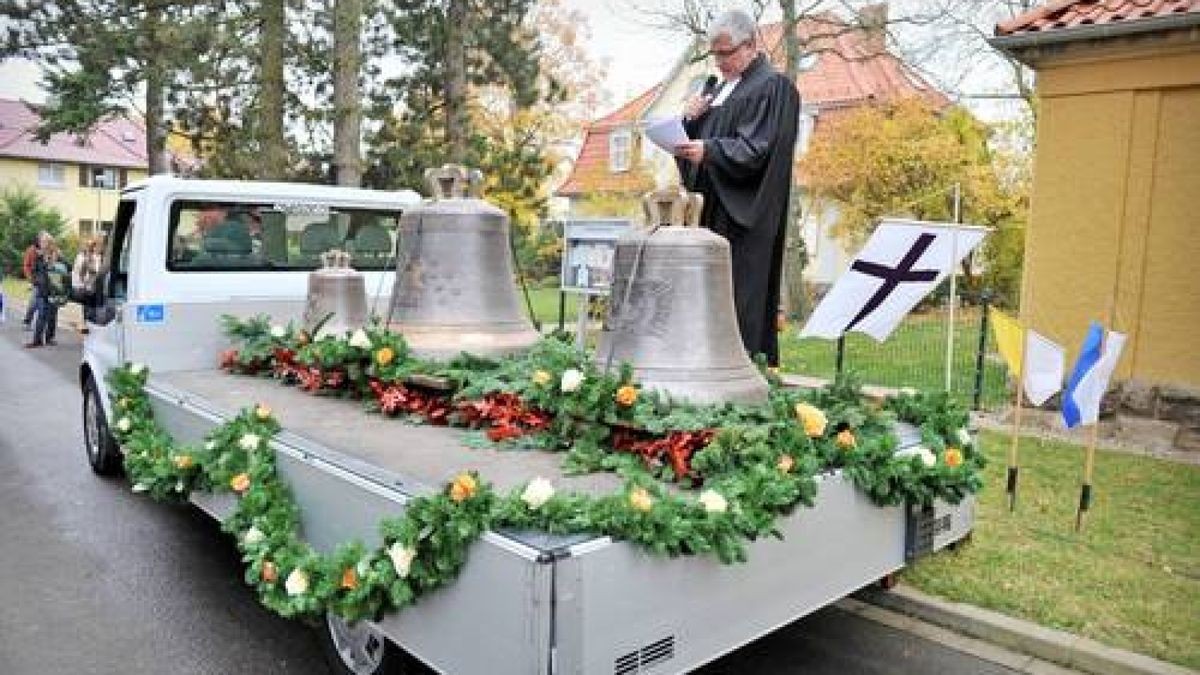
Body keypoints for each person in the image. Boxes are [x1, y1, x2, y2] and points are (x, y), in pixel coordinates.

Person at [674, 9, 800, 367]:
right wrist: (689, 121)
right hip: (709, 211)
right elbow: (693, 155)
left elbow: (757, 149)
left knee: (738, 296)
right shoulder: (716, 94)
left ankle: (739, 369)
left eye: (726, 53)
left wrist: (710, 150)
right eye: (715, 53)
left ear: (751, 44)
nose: (720, 61)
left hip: (743, 215)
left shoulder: (773, 89)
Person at [26, 236, 66, 348]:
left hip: (54, 290)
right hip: (43, 289)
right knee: (42, 315)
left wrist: (58, 263)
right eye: (41, 242)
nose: (42, 244)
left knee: (53, 315)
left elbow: (68, 267)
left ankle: (50, 338)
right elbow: (34, 271)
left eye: (44, 242)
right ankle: (37, 340)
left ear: (50, 243)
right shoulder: (39, 257)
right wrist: (36, 282)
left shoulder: (58, 256)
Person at [72, 237, 104, 332]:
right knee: (88, 306)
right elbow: (81, 272)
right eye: (96, 247)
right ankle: (87, 325)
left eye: (100, 247)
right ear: (93, 248)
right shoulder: (88, 258)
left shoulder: (103, 258)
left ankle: (94, 325)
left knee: (96, 306)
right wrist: (85, 283)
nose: (98, 249)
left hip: (99, 286)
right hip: (90, 286)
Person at [20, 233, 44, 330]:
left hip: (46, 281)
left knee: (43, 304)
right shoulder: (31, 250)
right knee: (34, 302)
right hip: (36, 280)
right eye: (42, 240)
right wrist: (30, 279)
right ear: (38, 240)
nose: (43, 242)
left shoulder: (47, 250)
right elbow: (26, 265)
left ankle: (41, 324)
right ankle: (27, 321)